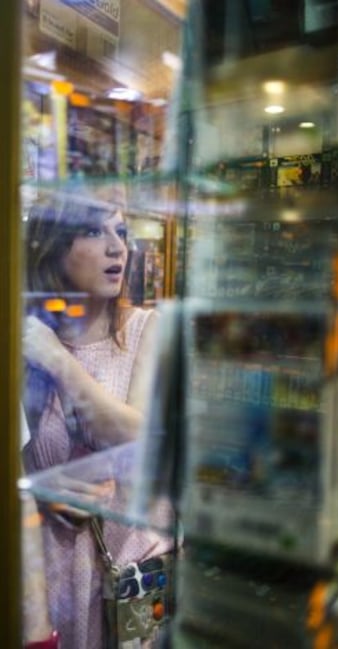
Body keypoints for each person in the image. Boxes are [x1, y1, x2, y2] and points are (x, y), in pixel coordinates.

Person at [21, 185, 174, 649]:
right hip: (55, 578)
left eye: (121, 232)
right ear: (53, 244)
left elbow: (138, 437)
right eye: (93, 230)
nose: (116, 247)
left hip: (135, 578)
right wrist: (40, 491)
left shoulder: (150, 328)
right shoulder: (24, 342)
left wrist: (59, 362)